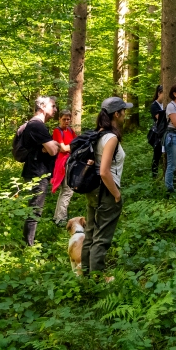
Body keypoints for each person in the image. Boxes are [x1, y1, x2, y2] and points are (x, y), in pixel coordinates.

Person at [81, 97, 132, 279]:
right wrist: (116, 195)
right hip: (106, 190)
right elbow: (104, 171)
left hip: (93, 189)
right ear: (116, 114)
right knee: (101, 237)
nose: (125, 114)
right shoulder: (110, 138)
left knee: (90, 233)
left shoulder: (98, 133)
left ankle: (85, 275)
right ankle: (96, 280)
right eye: (123, 111)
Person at [14, 96, 59, 245]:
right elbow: (53, 150)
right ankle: (29, 245)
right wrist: (53, 145)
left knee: (34, 208)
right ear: (42, 107)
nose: (55, 109)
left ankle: (28, 242)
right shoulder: (37, 125)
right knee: (35, 209)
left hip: (33, 171)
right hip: (37, 173)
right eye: (53, 106)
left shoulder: (34, 125)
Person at [51, 108, 77, 226]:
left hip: (69, 162)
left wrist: (72, 147)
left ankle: (57, 217)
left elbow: (77, 143)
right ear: (59, 119)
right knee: (68, 191)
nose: (66, 121)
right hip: (62, 164)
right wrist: (74, 147)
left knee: (65, 191)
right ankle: (61, 219)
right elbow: (63, 148)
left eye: (68, 119)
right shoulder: (57, 131)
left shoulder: (70, 131)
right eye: (64, 119)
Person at [148, 84, 166, 176]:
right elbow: (160, 119)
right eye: (164, 93)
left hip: (166, 131)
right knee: (157, 154)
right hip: (158, 133)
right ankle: (154, 175)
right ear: (159, 93)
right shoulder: (154, 105)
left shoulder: (165, 103)